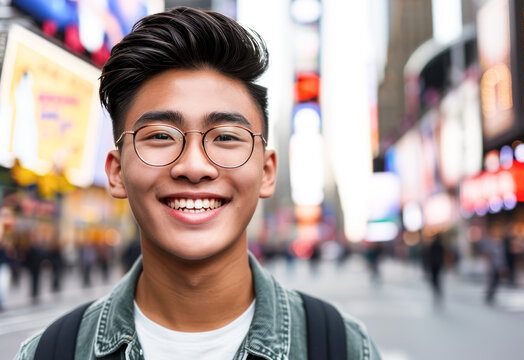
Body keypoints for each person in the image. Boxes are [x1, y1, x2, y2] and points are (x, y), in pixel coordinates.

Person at [15, 7, 381, 360]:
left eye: (225, 137)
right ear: (116, 171)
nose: (193, 166)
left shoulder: (342, 347)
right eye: (160, 136)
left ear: (267, 171)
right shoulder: (49, 353)